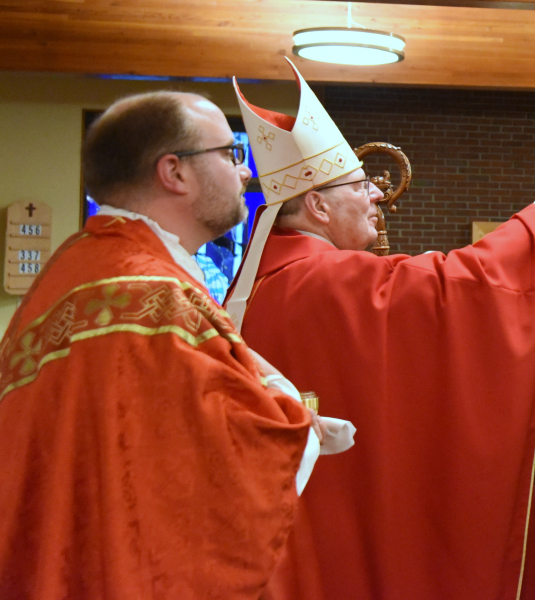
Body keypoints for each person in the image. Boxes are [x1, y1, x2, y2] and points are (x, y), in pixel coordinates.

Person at [229, 62, 535, 600]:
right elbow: (453, 288)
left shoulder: (265, 283)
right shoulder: (323, 277)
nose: (375, 196)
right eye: (357, 185)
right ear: (317, 205)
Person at [0, 91, 314, 599]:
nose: (245, 173)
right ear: (175, 172)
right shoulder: (151, 297)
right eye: (231, 154)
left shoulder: (79, 269)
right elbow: (235, 459)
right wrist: (293, 410)